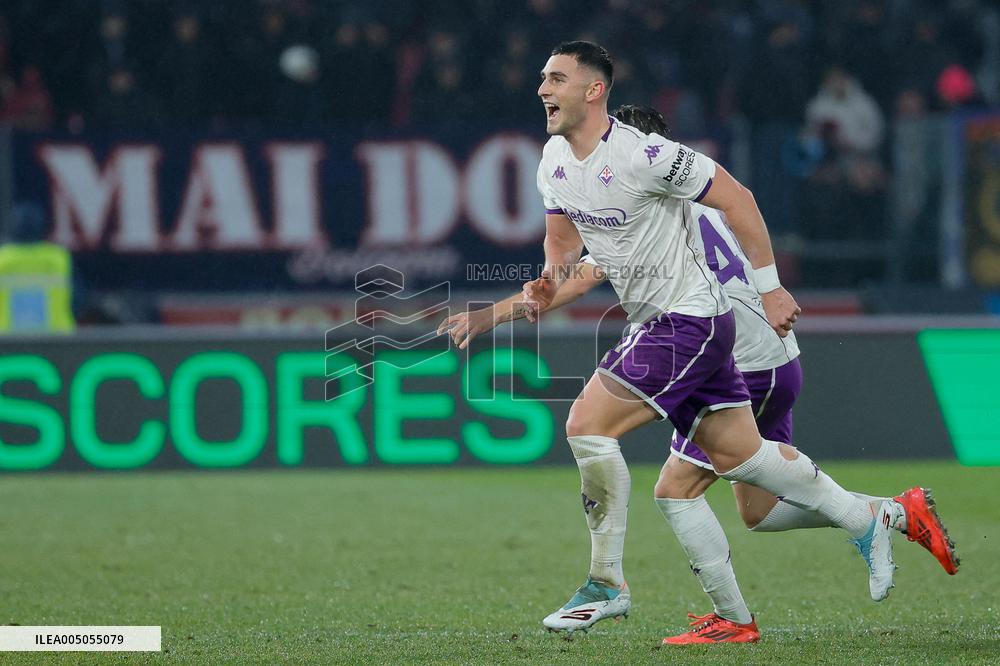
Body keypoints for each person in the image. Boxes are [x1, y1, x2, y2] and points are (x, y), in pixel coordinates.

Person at [485, 41, 951, 641]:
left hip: (729, 348)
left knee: (638, 460)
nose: (544, 89)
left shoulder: (656, 195)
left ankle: (650, 594)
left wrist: (772, 288)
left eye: (557, 79)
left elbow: (602, 265)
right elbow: (578, 257)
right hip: (759, 354)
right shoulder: (624, 187)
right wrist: (528, 293)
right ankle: (881, 515)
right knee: (752, 502)